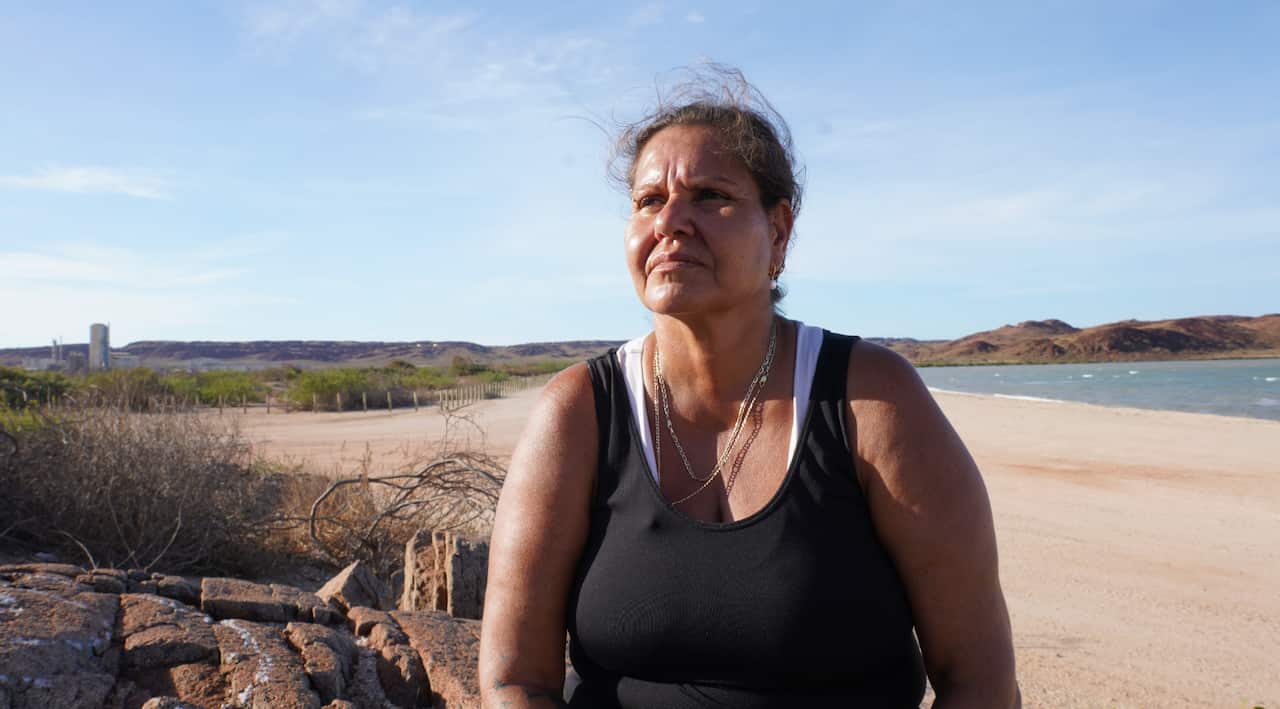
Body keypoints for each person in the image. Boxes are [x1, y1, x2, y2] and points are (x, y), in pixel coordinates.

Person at [479, 66, 1019, 708]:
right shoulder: (579, 411)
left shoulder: (871, 399)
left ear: (779, 233)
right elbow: (515, 679)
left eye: (710, 196)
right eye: (649, 200)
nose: (671, 222)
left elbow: (979, 681)